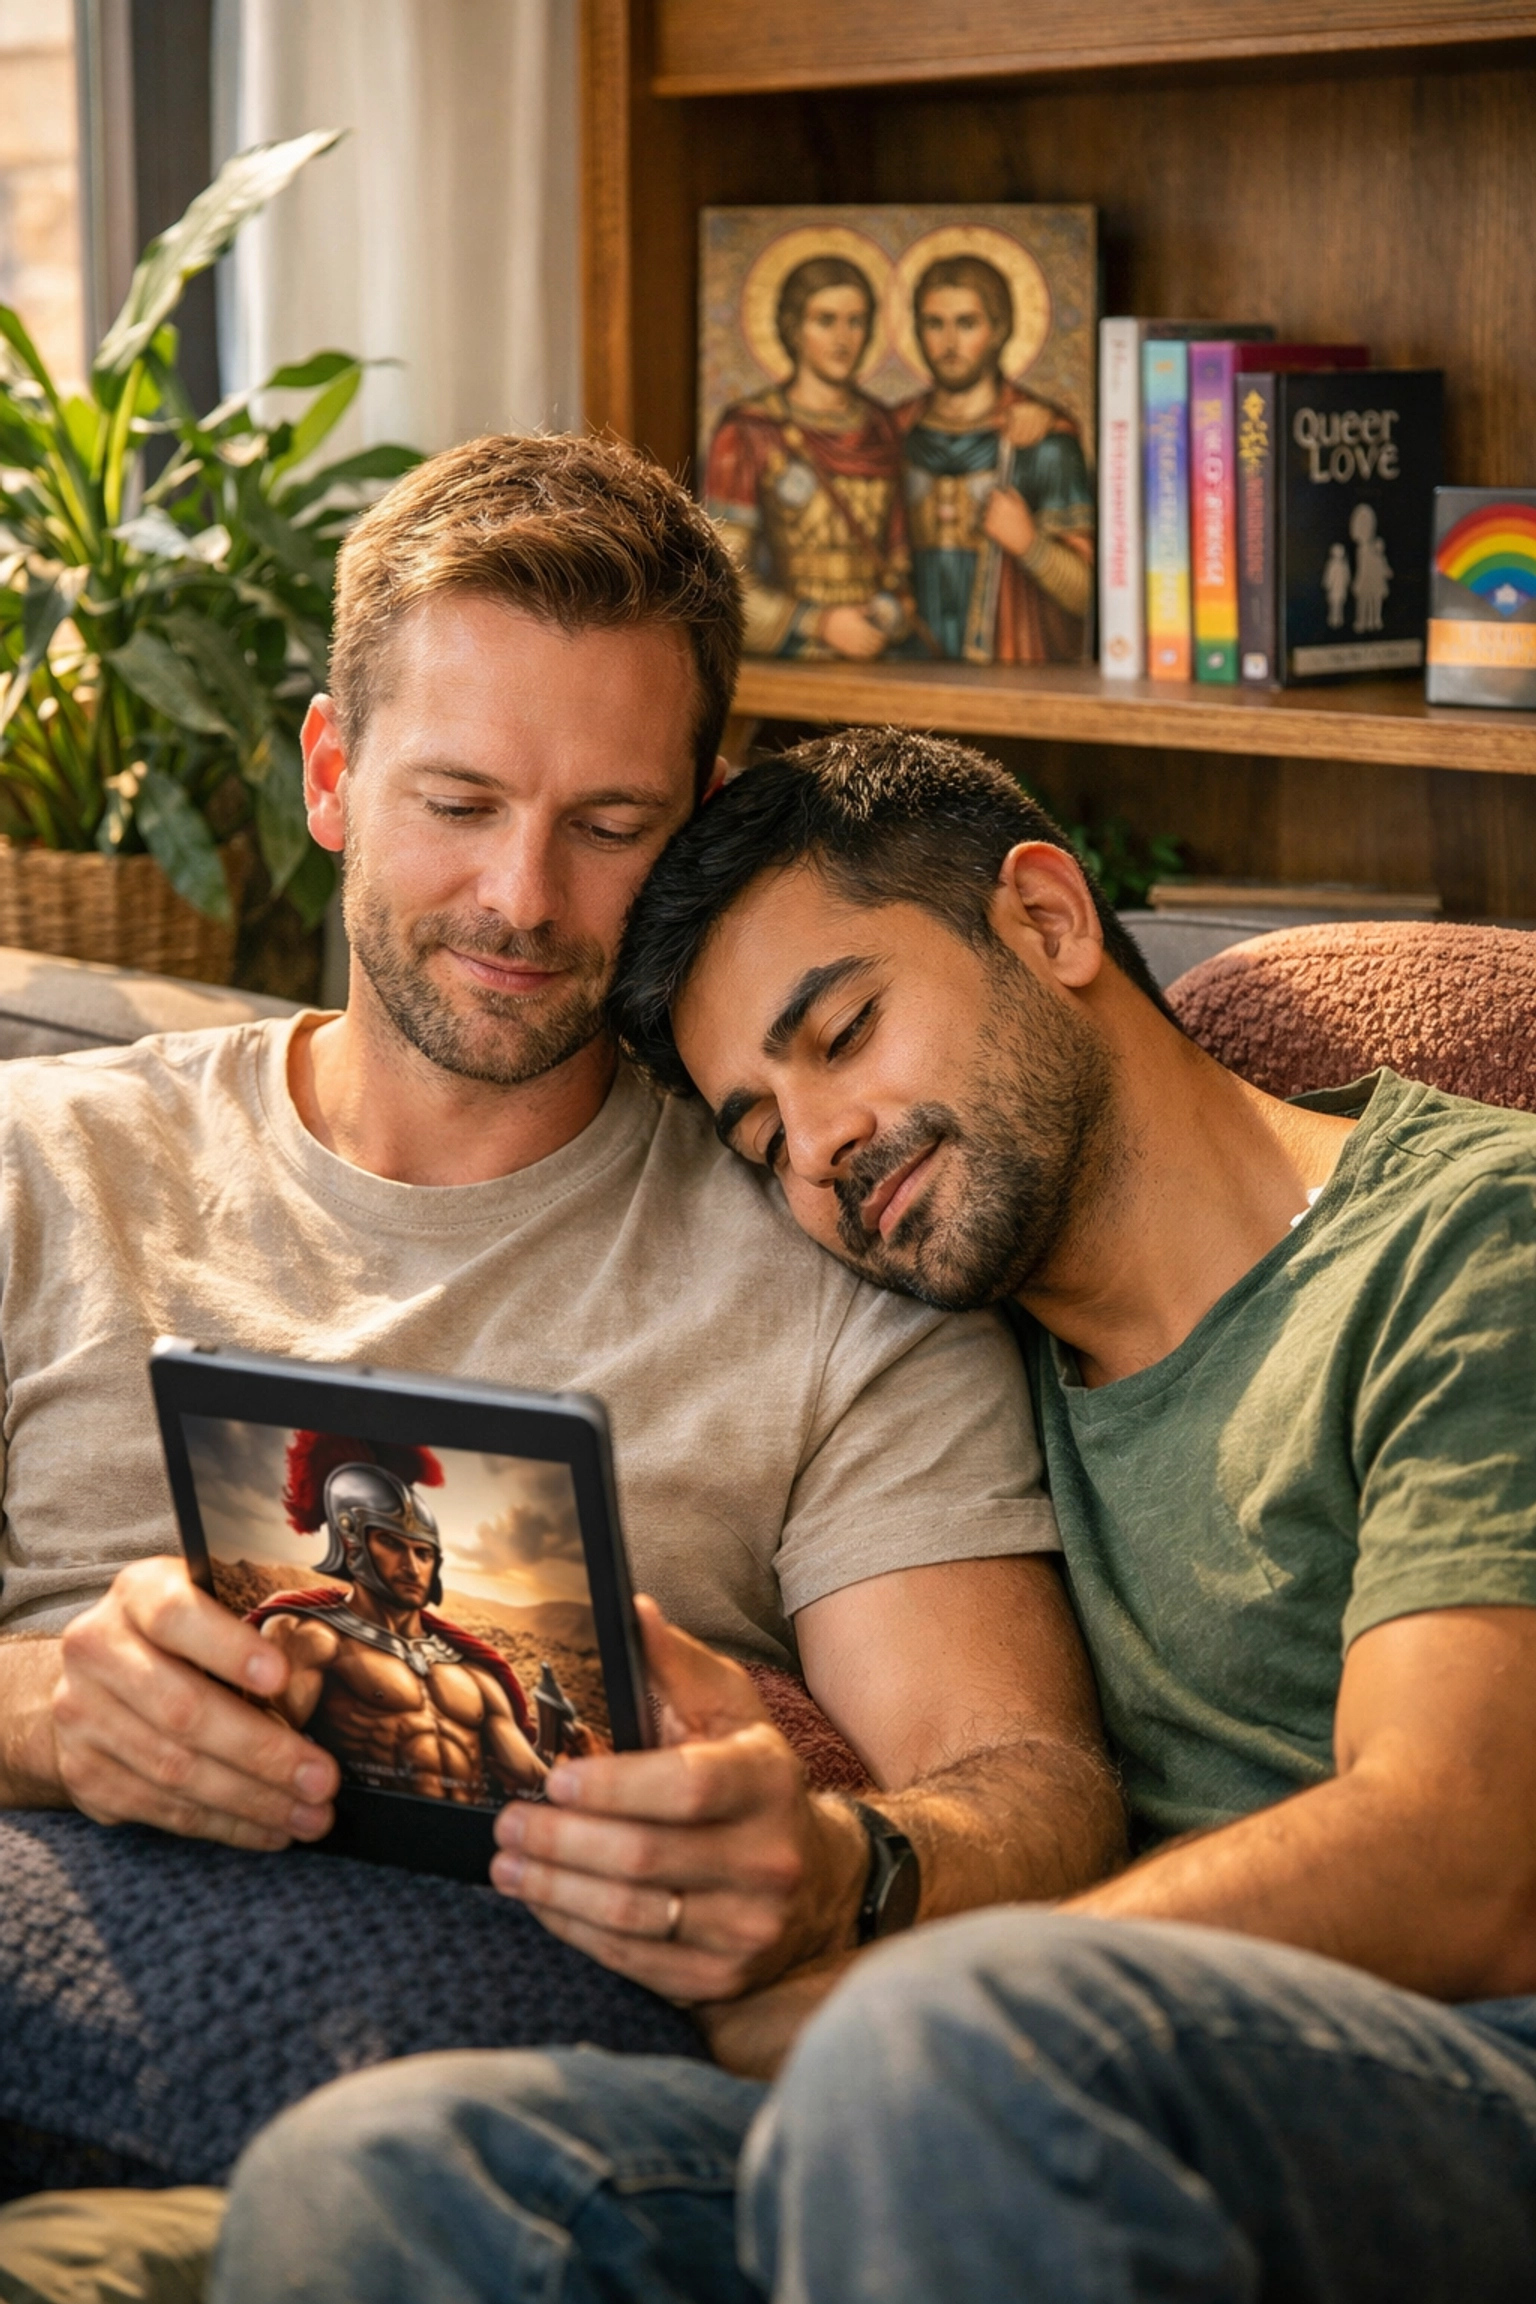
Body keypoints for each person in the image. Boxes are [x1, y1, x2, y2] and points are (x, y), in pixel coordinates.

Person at [216, 729, 1536, 2302]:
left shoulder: (1471, 1241)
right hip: (1020, 2121)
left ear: (1046, 921)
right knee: (390, 2172)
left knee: (939, 2039)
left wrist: (865, 2006)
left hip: (1462, 2076)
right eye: (764, 1139)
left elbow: (1471, 1857)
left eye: (841, 1032)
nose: (824, 1151)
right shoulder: (962, 1381)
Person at [0, 452, 1123, 2193]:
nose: (524, 898)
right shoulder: (43, 1160)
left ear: (699, 826)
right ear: (330, 774)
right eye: (457, 803)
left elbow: (1030, 1782)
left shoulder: (830, 1252)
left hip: (474, 2125)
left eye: (610, 827)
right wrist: (55, 1718)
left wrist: (841, 1861)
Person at [248, 1435, 551, 1802]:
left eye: (423, 1553)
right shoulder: (309, 1639)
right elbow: (258, 1744)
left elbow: (532, 1778)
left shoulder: (477, 1676)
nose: (412, 1566)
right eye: (392, 1544)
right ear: (352, 1543)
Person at [704, 255, 912, 660]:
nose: (843, 338)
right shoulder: (750, 432)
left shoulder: (882, 428)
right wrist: (819, 623)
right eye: (826, 320)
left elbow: (901, 567)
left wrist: (887, 613)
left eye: (856, 321)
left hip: (875, 650)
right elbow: (723, 583)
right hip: (791, 648)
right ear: (794, 328)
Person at [896, 254, 1093, 661]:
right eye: (935, 324)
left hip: (1013, 661)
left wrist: (1029, 543)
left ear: (999, 329)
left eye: (967, 323)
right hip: (906, 668)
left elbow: (1091, 597)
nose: (949, 343)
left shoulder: (1045, 445)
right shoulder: (894, 433)